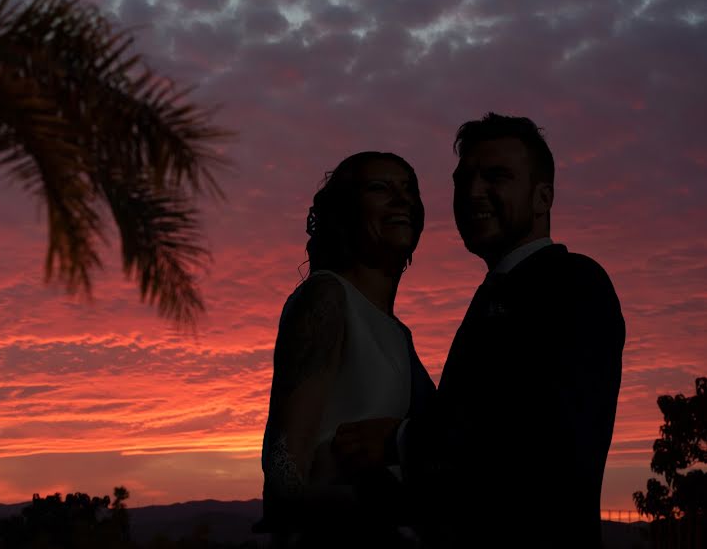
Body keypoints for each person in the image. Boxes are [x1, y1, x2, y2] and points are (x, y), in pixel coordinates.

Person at [332, 113, 625, 548]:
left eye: (497, 176)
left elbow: (541, 434)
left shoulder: (574, 282)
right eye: (462, 179)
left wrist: (400, 440)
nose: (472, 192)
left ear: (543, 197)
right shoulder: (490, 298)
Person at [257, 152, 436, 547]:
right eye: (380, 189)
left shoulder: (398, 333)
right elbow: (284, 469)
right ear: (345, 211)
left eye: (409, 190)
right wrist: (381, 507)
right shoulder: (327, 297)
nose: (401, 199)